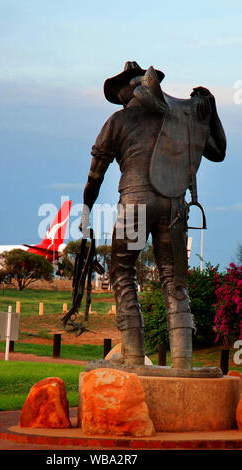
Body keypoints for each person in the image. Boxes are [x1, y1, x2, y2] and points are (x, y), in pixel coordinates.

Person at [81, 61, 226, 369]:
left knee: (122, 272)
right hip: (174, 205)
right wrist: (210, 112)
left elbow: (96, 175)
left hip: (134, 204)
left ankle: (133, 357)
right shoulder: (176, 120)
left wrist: (86, 208)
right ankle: (183, 363)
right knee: (175, 279)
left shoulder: (118, 121)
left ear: (126, 92)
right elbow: (217, 151)